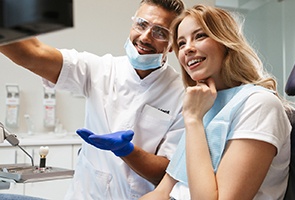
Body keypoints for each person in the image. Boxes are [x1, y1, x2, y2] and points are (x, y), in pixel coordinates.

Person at [0, 0, 186, 199]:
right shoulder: (100, 69)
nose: (145, 37)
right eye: (141, 24)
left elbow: (168, 174)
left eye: (159, 32)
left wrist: (127, 151)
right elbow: (33, 53)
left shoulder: (181, 95)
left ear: (173, 44)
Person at [140, 4, 295, 200]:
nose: (187, 49)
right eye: (181, 43)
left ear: (225, 42)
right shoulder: (204, 104)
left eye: (200, 36)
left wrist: (193, 120)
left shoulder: (259, 104)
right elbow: (163, 192)